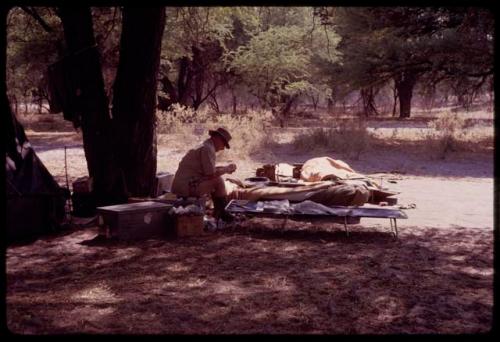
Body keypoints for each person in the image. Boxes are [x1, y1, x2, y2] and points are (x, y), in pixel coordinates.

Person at [171, 127, 237, 222]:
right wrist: (226, 169)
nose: (223, 148)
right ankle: (222, 213)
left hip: (183, 184)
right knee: (218, 181)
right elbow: (211, 174)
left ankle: (219, 213)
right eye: (224, 144)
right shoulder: (207, 149)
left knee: (217, 179)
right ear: (217, 138)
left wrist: (225, 168)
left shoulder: (204, 145)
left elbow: (208, 170)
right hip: (185, 186)